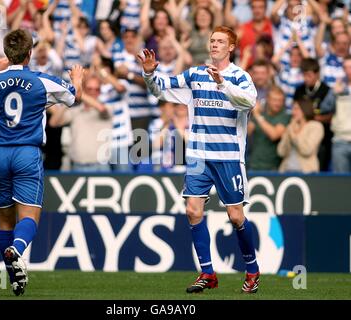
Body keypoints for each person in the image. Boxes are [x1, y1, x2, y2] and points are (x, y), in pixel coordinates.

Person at [138, 26, 260, 294]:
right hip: (198, 157)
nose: (215, 44)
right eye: (212, 40)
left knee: (236, 216)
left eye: (221, 41)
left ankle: (252, 269)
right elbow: (161, 89)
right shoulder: (195, 74)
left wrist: (222, 83)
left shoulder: (240, 77)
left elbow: (249, 102)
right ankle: (207, 273)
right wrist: (149, 73)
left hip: (228, 157)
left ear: (231, 47)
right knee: (193, 210)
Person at [0, 29, 83, 296]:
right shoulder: (41, 81)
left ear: (7, 54)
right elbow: (74, 98)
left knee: (5, 219)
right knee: (29, 217)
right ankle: (17, 251)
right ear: (30, 53)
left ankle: (14, 278)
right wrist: (77, 79)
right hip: (26, 154)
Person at [277, 98, 324, 173]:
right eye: (293, 109)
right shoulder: (291, 126)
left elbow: (306, 150)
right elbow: (281, 152)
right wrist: (289, 132)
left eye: (296, 109)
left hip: (307, 172)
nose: (293, 112)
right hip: (286, 171)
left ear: (305, 109)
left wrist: (293, 134)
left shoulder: (315, 126)